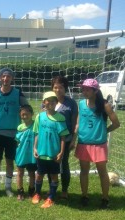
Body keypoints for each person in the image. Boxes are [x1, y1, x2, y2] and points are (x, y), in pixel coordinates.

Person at [71, 79, 120, 209]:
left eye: (87, 89)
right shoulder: (81, 104)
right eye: (83, 89)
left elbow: (116, 123)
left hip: (99, 144)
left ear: (95, 91)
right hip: (83, 143)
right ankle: (84, 196)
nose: (84, 92)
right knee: (84, 171)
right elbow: (77, 124)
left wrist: (105, 131)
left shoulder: (105, 105)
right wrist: (73, 140)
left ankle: (105, 198)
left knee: (102, 172)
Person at [0, 68, 28, 197]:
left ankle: (8, 187)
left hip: (13, 134)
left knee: (10, 161)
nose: (6, 79)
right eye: (3, 76)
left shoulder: (18, 93)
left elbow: (26, 109)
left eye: (8, 76)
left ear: (12, 79)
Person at [32, 91, 69, 208]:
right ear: (44, 102)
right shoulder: (39, 116)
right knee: (39, 175)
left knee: (54, 175)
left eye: (53, 100)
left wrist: (61, 152)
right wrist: (34, 148)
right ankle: (37, 194)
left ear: (56, 102)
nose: (51, 102)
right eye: (48, 100)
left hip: (53, 153)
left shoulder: (60, 118)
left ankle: (51, 198)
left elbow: (63, 137)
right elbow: (37, 134)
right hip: (41, 152)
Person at [51, 76, 78, 199]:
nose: (57, 90)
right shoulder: (48, 101)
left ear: (65, 88)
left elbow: (74, 124)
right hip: (50, 139)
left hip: (65, 140)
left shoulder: (71, 103)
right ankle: (52, 189)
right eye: (55, 87)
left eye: (60, 87)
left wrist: (73, 140)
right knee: (50, 164)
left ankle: (64, 190)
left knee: (64, 164)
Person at [15, 104, 37, 201]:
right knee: (20, 173)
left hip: (31, 154)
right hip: (21, 154)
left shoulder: (36, 125)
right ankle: (20, 192)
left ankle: (31, 191)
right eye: (22, 114)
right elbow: (17, 141)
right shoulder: (20, 127)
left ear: (32, 114)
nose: (24, 116)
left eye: (27, 114)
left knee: (32, 173)